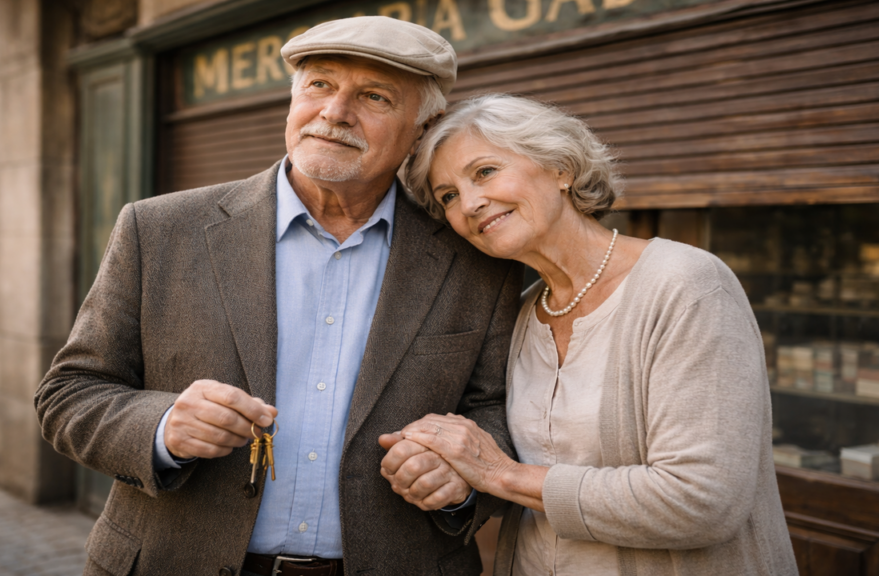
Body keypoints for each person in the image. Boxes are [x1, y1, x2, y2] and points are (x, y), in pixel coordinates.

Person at [35, 18, 522, 576]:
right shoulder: (159, 228)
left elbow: (505, 413)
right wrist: (163, 425)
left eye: (374, 96)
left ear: (423, 128)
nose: (335, 112)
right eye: (319, 85)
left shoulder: (477, 258)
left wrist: (464, 476)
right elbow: (68, 394)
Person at [383, 94, 797, 574]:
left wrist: (501, 475)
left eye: (485, 172)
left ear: (561, 169)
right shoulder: (520, 316)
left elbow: (702, 500)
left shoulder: (686, 284)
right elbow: (505, 451)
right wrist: (447, 469)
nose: (471, 203)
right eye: (448, 196)